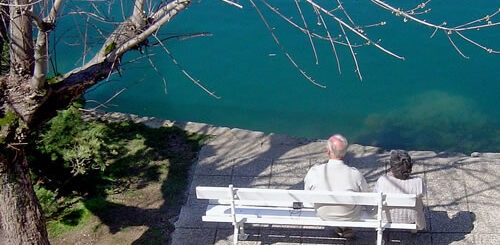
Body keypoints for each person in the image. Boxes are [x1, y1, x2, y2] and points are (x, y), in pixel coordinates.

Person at [304, 134, 369, 238]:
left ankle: (340, 227)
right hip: (350, 215)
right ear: (344, 153)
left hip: (323, 214)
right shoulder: (355, 174)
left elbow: (307, 198)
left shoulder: (315, 171)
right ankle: (345, 227)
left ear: (328, 151)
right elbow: (367, 196)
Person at [373, 150, 426, 230]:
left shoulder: (382, 181)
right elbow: (422, 195)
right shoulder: (418, 182)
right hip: (411, 218)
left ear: (391, 167)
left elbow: (375, 198)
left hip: (386, 218)